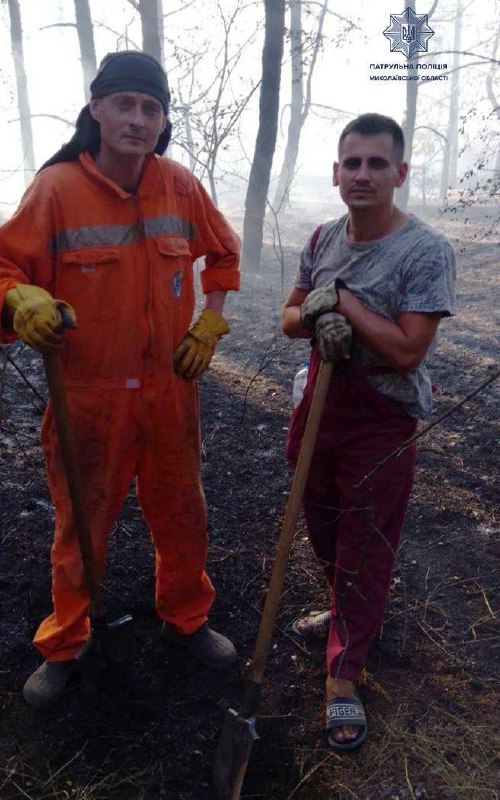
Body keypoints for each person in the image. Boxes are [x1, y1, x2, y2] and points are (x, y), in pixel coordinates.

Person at [0, 51, 240, 709]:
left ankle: (187, 617)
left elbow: (224, 254)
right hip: (87, 399)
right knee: (81, 527)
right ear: (96, 109)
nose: (138, 119)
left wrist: (210, 323)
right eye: (125, 104)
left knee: (183, 511)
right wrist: (18, 300)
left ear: (162, 119)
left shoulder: (179, 185)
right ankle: (66, 640)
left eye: (151, 108)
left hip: (170, 392)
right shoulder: (57, 189)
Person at [281, 113, 456, 751]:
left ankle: (344, 673)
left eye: (376, 163)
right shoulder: (324, 237)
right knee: (323, 525)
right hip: (323, 402)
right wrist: (313, 317)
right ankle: (349, 615)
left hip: (381, 416)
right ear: (336, 173)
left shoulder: (425, 250)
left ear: (399, 174)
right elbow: (288, 318)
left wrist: (343, 304)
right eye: (351, 163)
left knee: (366, 541)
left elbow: (409, 350)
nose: (362, 174)